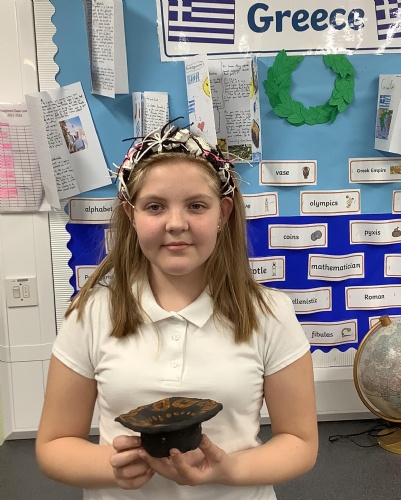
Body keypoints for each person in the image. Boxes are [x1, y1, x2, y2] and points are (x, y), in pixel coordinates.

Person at [36, 122, 318, 499]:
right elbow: (54, 444)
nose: (175, 224)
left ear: (223, 213)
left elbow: (299, 442)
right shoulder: (90, 314)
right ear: (131, 213)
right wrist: (113, 467)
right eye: (155, 206)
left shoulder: (270, 313)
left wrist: (227, 468)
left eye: (196, 206)